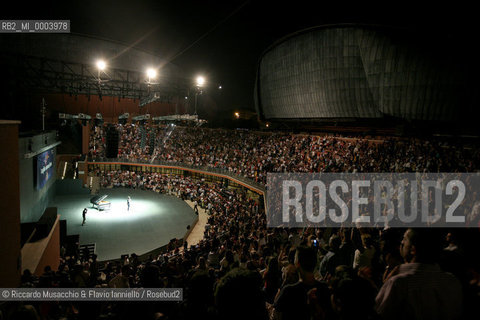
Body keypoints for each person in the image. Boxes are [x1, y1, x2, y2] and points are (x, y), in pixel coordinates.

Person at [375, 228, 463, 320]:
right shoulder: (452, 281)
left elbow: (380, 314)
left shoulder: (399, 284)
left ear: (413, 249)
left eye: (404, 239)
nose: (401, 243)